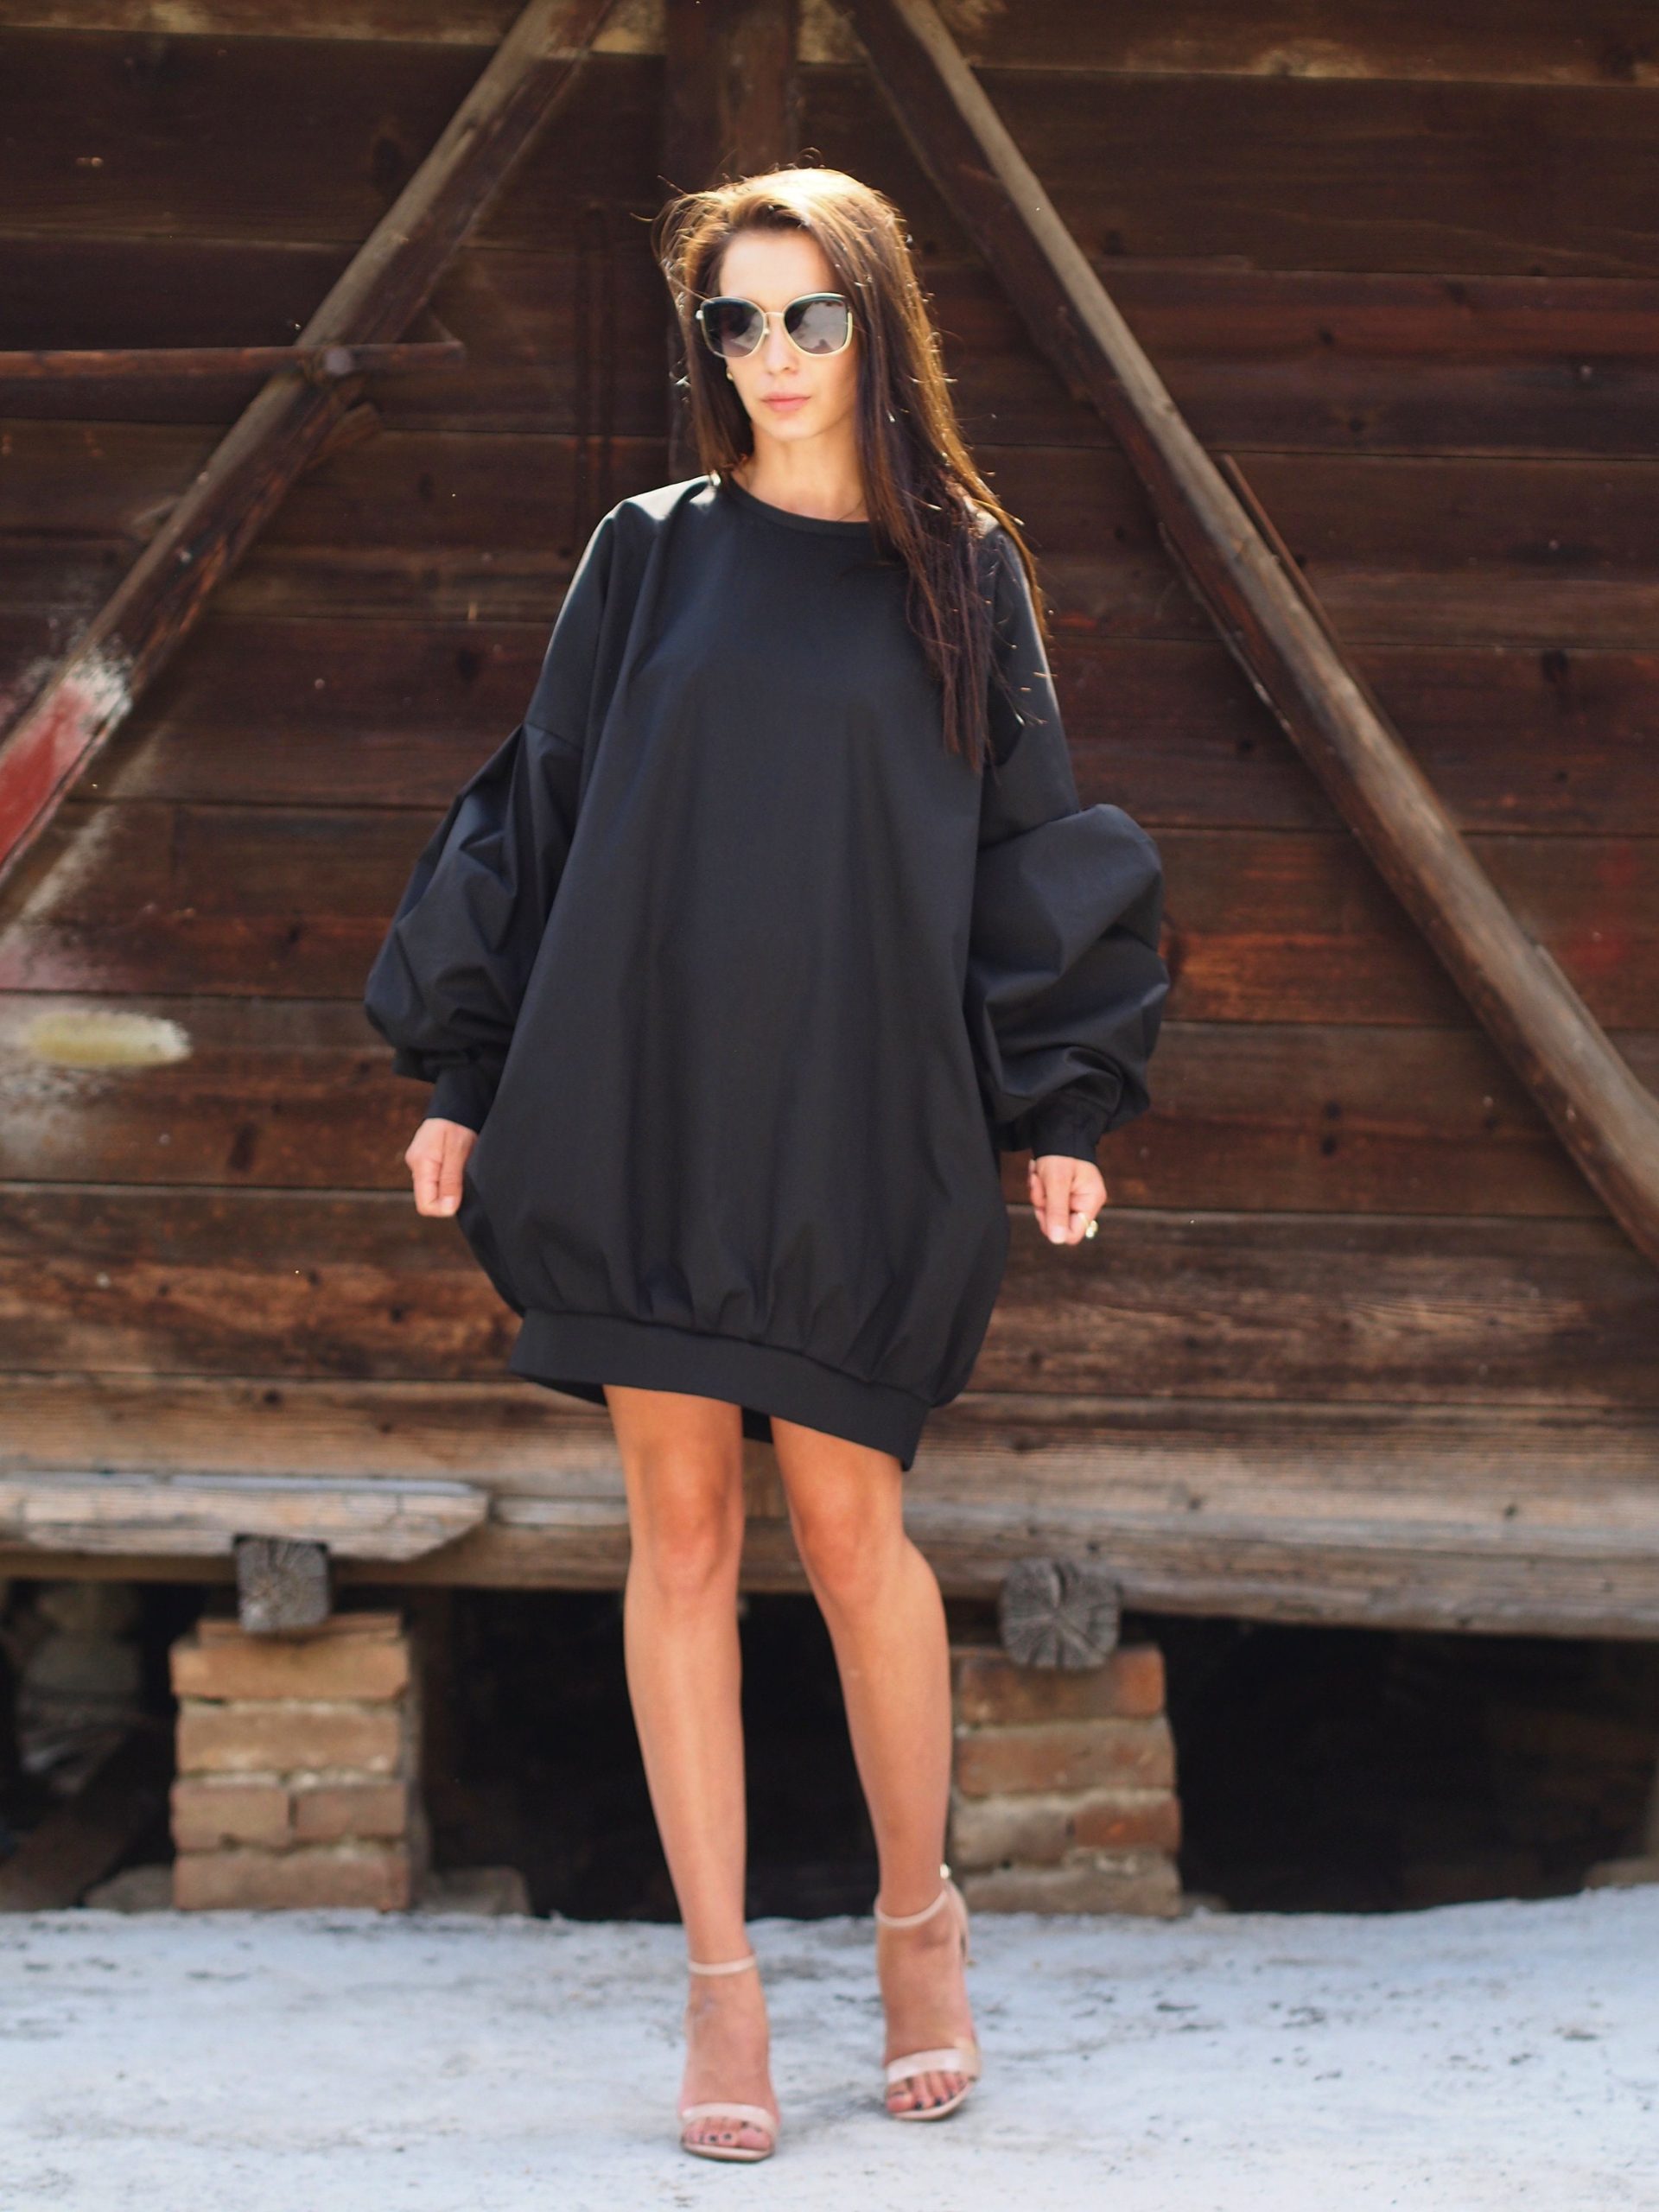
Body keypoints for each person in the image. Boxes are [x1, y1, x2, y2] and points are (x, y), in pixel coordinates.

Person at [363, 164, 1169, 2164]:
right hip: (641, 1088)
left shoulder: (962, 571)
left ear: (876, 325)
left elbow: (1029, 842)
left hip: (859, 1110)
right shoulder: (646, 556)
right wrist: (464, 1067)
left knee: (849, 1522)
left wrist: (1060, 1105)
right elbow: (540, 807)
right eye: (736, 319)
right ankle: (720, 1980)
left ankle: (917, 1921)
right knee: (682, 1532)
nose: (775, 354)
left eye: (813, 314)